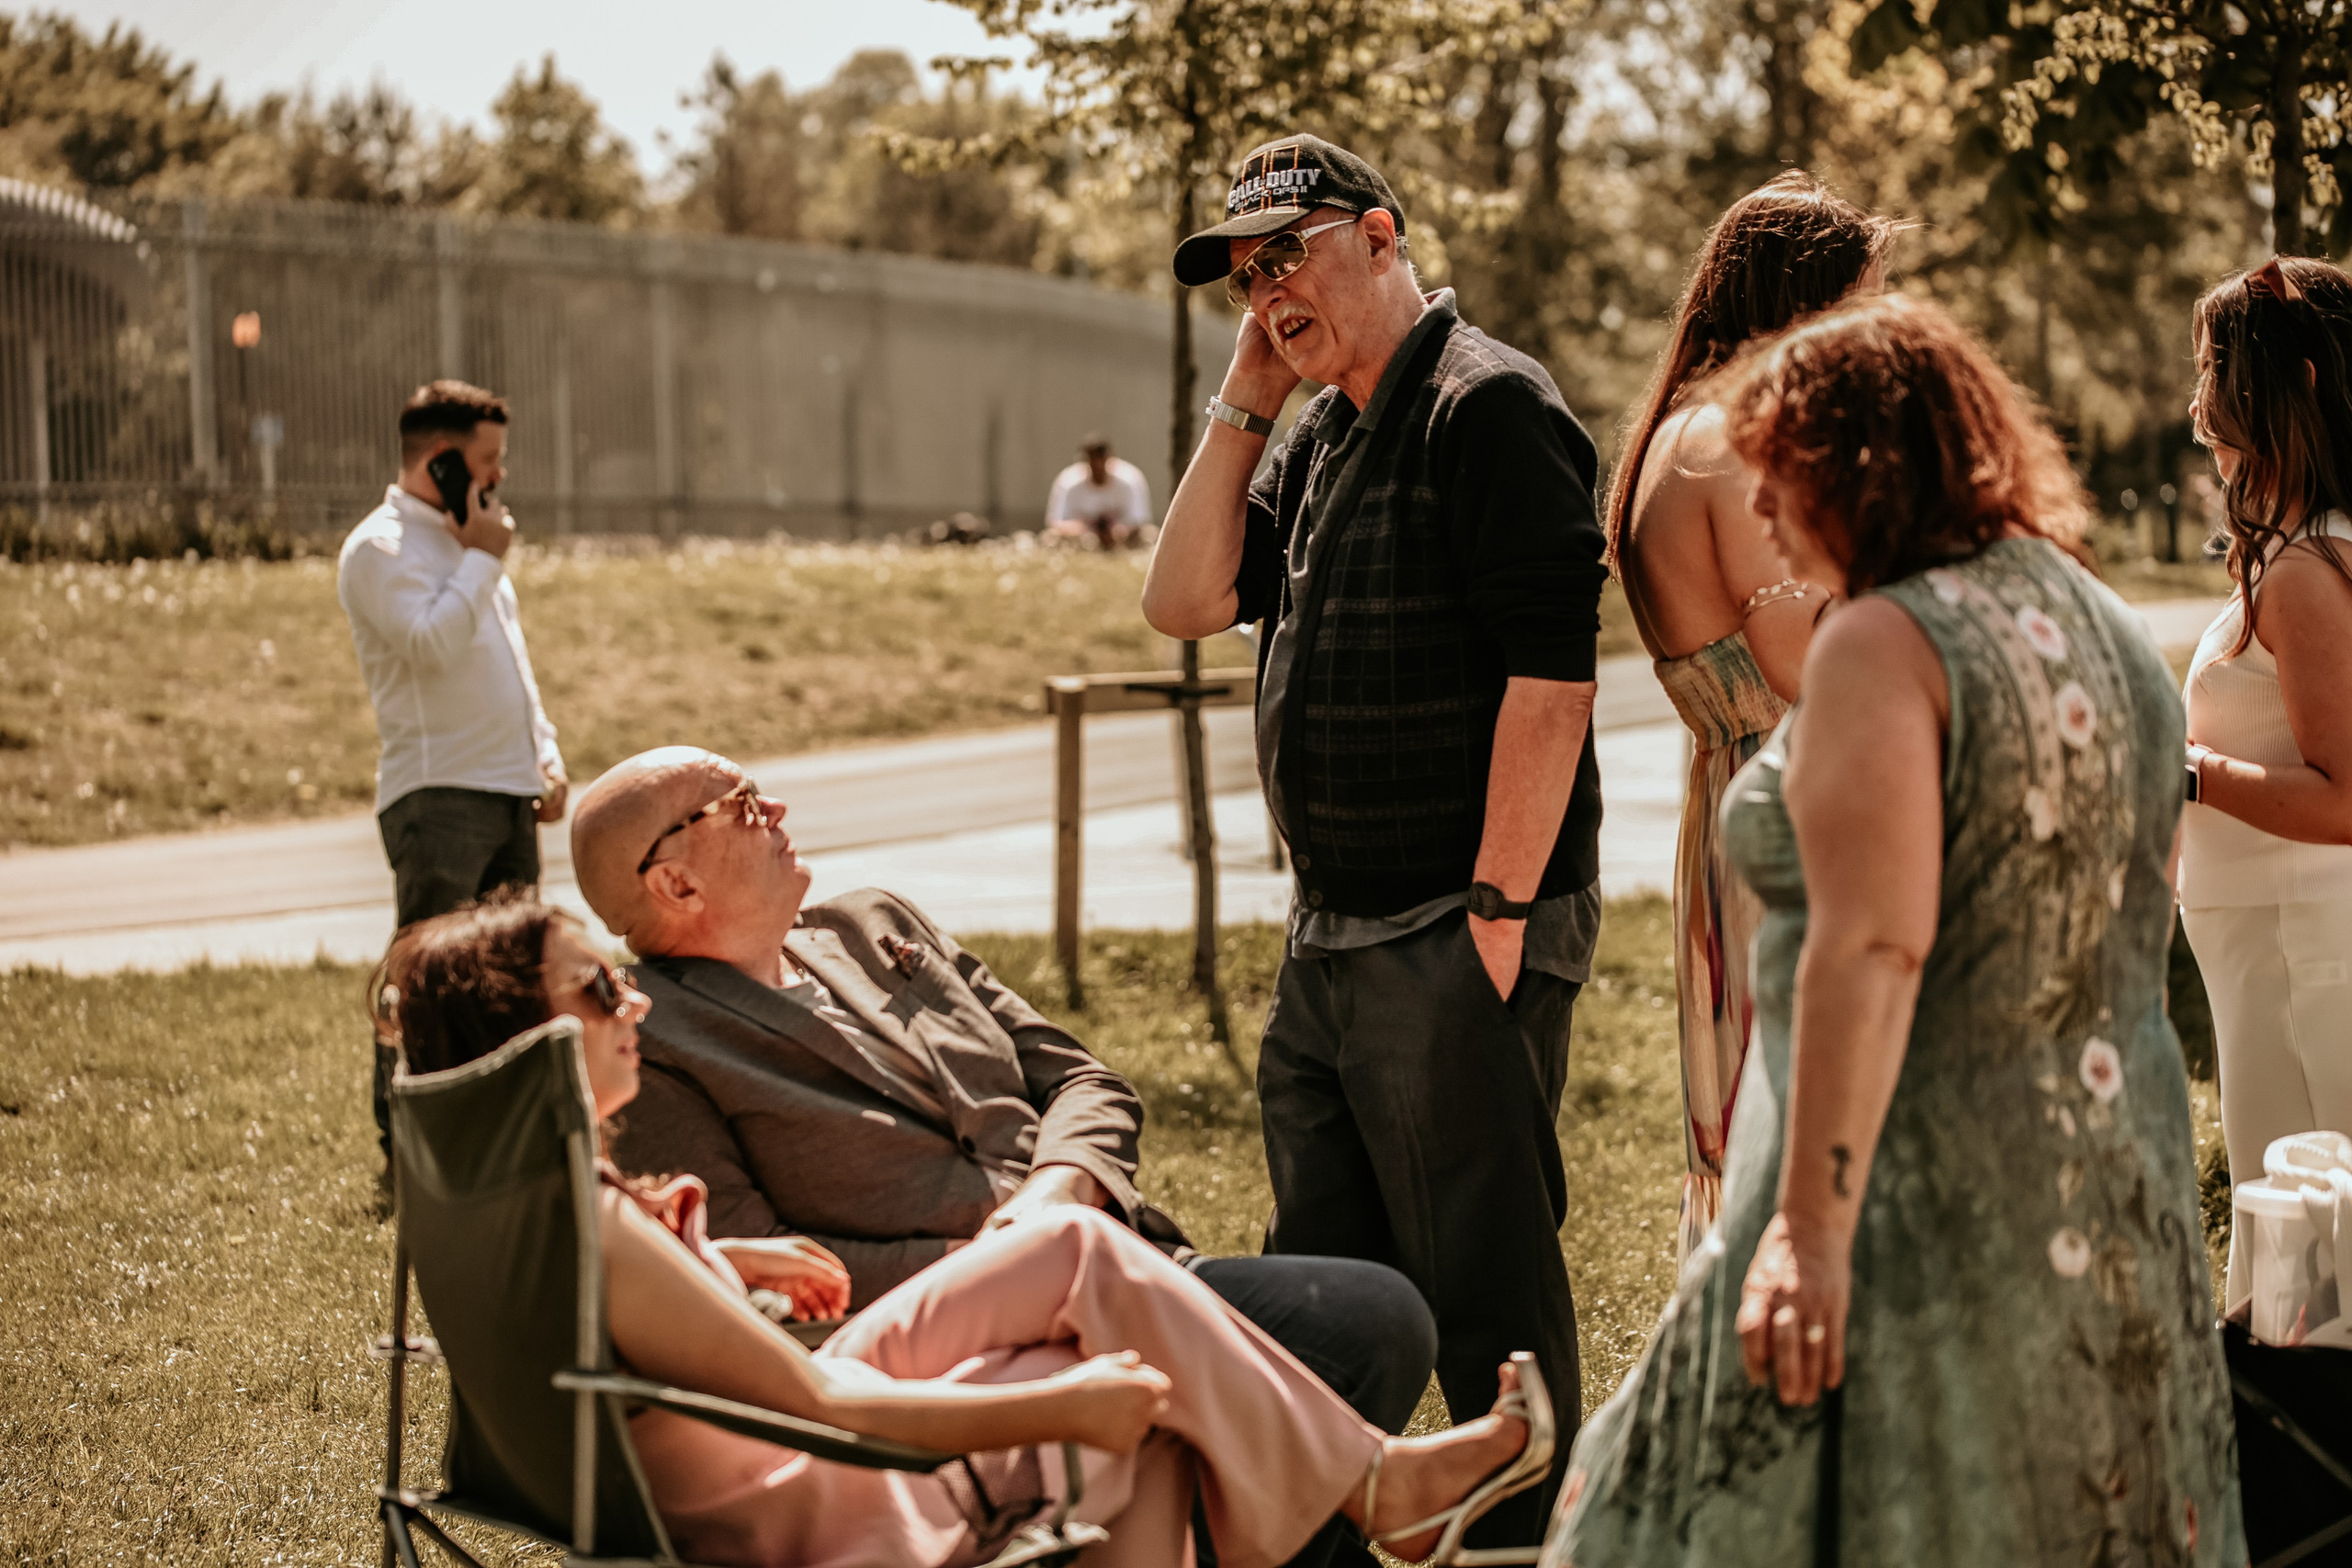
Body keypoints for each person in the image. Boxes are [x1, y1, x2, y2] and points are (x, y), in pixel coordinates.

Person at [1544, 293, 2242, 1565]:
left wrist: (1806, 1232)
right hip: (2109, 1172)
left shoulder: (1886, 639)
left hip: (1911, 1191)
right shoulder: (2095, 616)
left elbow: (1874, 944)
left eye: (1777, 472)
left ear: (1860, 462)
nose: (1757, 509)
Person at [375, 894, 1557, 1568]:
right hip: (796, 1502)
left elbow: (596, 1338)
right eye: (596, 991)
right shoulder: (590, 1221)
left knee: (1075, 1256)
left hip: (724, 1462)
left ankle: (1377, 1483)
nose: (629, 1001)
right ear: (519, 1038)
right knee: (1122, 1410)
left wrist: (723, 1262)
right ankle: (1376, 1487)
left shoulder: (500, 1200)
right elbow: (827, 1413)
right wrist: (1061, 1404)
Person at [569, 746, 1441, 1568]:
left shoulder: (875, 923)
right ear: (674, 879)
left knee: (1370, 1316)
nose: (779, 809)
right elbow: (770, 1279)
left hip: (1124, 1260)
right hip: (959, 1347)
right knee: (1358, 1327)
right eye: (743, 806)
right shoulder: (654, 1042)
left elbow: (1087, 1083)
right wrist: (1012, 1263)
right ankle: (1359, 1496)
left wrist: (1056, 1195)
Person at [1142, 133, 1607, 1549]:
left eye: (1292, 253)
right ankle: (1322, 1533)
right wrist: (1244, 398)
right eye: (1243, 273)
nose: (1268, 290)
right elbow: (1182, 597)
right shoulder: (1327, 427)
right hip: (1333, 931)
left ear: (1383, 235)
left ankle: (1531, 1537)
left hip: (1450, 922)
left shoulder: (1488, 406)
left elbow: (1554, 681)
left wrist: (1497, 910)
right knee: (1322, 1287)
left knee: (1485, 1284)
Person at [1605, 172, 1895, 1259]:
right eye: (1858, 302)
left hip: (1750, 791)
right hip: (1795, 800)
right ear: (1801, 302)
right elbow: (1803, 662)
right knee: (1809, 1099)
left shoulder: (1684, 427)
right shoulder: (1729, 440)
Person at [2178, 254, 2352, 1309]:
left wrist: (2185, 772)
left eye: (2211, 366)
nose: (2195, 401)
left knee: (2311, 1254)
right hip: (2276, 955)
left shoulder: (2304, 572)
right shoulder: (2308, 549)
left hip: (2303, 962)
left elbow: (2345, 796)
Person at [338, 378, 566, 1174]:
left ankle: (502, 1144)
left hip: (507, 788)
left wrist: (546, 752)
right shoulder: (380, 549)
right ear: (440, 462)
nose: (500, 474)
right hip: (438, 796)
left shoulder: (473, 539)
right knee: (429, 980)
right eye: (487, 458)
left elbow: (507, 661)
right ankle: (410, 1154)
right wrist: (480, 561)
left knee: (513, 978)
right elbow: (429, 646)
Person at [1046, 435, 1154, 548]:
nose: (1097, 466)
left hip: (1123, 538)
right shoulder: (1068, 482)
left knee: (1150, 535)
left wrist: (1116, 531)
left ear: (1110, 459)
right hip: (1081, 538)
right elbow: (1056, 521)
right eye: (1092, 461)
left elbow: (1140, 520)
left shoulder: (1130, 480)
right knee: (1051, 538)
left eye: (1101, 460)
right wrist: (1087, 529)